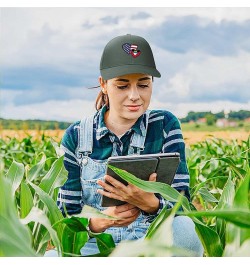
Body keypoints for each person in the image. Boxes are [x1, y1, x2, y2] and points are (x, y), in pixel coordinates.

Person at [54, 34, 203, 257]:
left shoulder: (164, 126)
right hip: (94, 245)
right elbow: (64, 215)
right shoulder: (77, 135)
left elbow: (182, 205)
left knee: (188, 233)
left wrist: (152, 204)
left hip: (150, 242)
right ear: (104, 84)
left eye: (143, 84)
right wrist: (98, 222)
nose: (134, 96)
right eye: (122, 85)